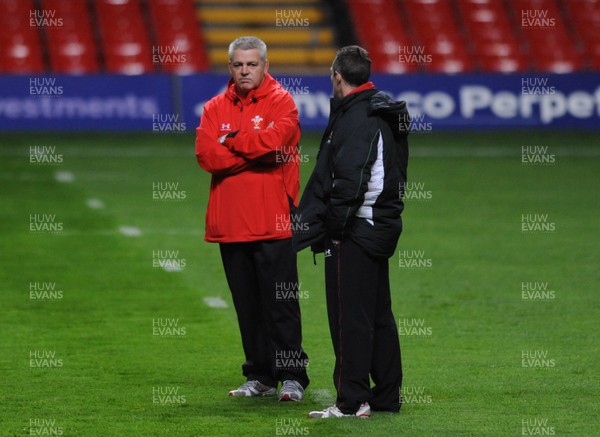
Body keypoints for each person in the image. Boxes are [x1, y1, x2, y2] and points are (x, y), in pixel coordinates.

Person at [294, 45, 409, 418]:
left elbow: (349, 181)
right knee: (377, 316)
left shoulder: (357, 117)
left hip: (356, 229)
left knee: (348, 319)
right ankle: (387, 395)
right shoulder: (380, 109)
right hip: (379, 224)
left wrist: (336, 230)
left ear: (337, 77)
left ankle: (350, 400)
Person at [195, 36, 309, 401]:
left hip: (273, 221)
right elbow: (207, 157)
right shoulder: (214, 106)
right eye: (238, 65)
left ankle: (292, 375)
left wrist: (230, 139)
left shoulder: (282, 102)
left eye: (252, 64)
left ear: (265, 65)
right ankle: (259, 375)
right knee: (247, 306)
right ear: (230, 67)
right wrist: (253, 148)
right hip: (230, 224)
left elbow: (277, 145)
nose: (245, 71)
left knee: (281, 305)